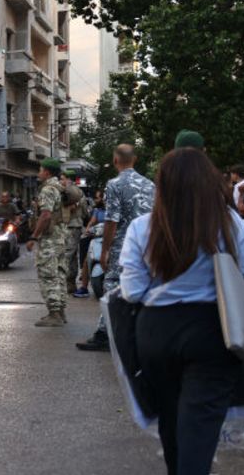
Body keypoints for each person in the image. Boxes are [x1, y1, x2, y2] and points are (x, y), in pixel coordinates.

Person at [118, 147, 244, 475]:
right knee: (199, 428)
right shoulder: (228, 224)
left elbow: (131, 290)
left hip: (156, 333)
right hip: (213, 331)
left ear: (162, 186)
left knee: (171, 416)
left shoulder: (144, 228)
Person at [78, 144, 155, 352]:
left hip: (124, 244)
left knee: (111, 283)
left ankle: (104, 334)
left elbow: (112, 220)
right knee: (143, 284)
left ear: (115, 161)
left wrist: (105, 251)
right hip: (149, 244)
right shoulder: (150, 185)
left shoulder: (114, 184)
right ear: (135, 159)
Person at [26, 158, 68, 326]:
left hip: (50, 240)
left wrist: (34, 237)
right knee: (59, 274)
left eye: (41, 170)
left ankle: (54, 313)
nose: (39, 173)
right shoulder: (59, 187)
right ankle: (61, 310)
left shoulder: (48, 190)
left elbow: (45, 215)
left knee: (48, 274)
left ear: (47, 172)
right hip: (59, 238)